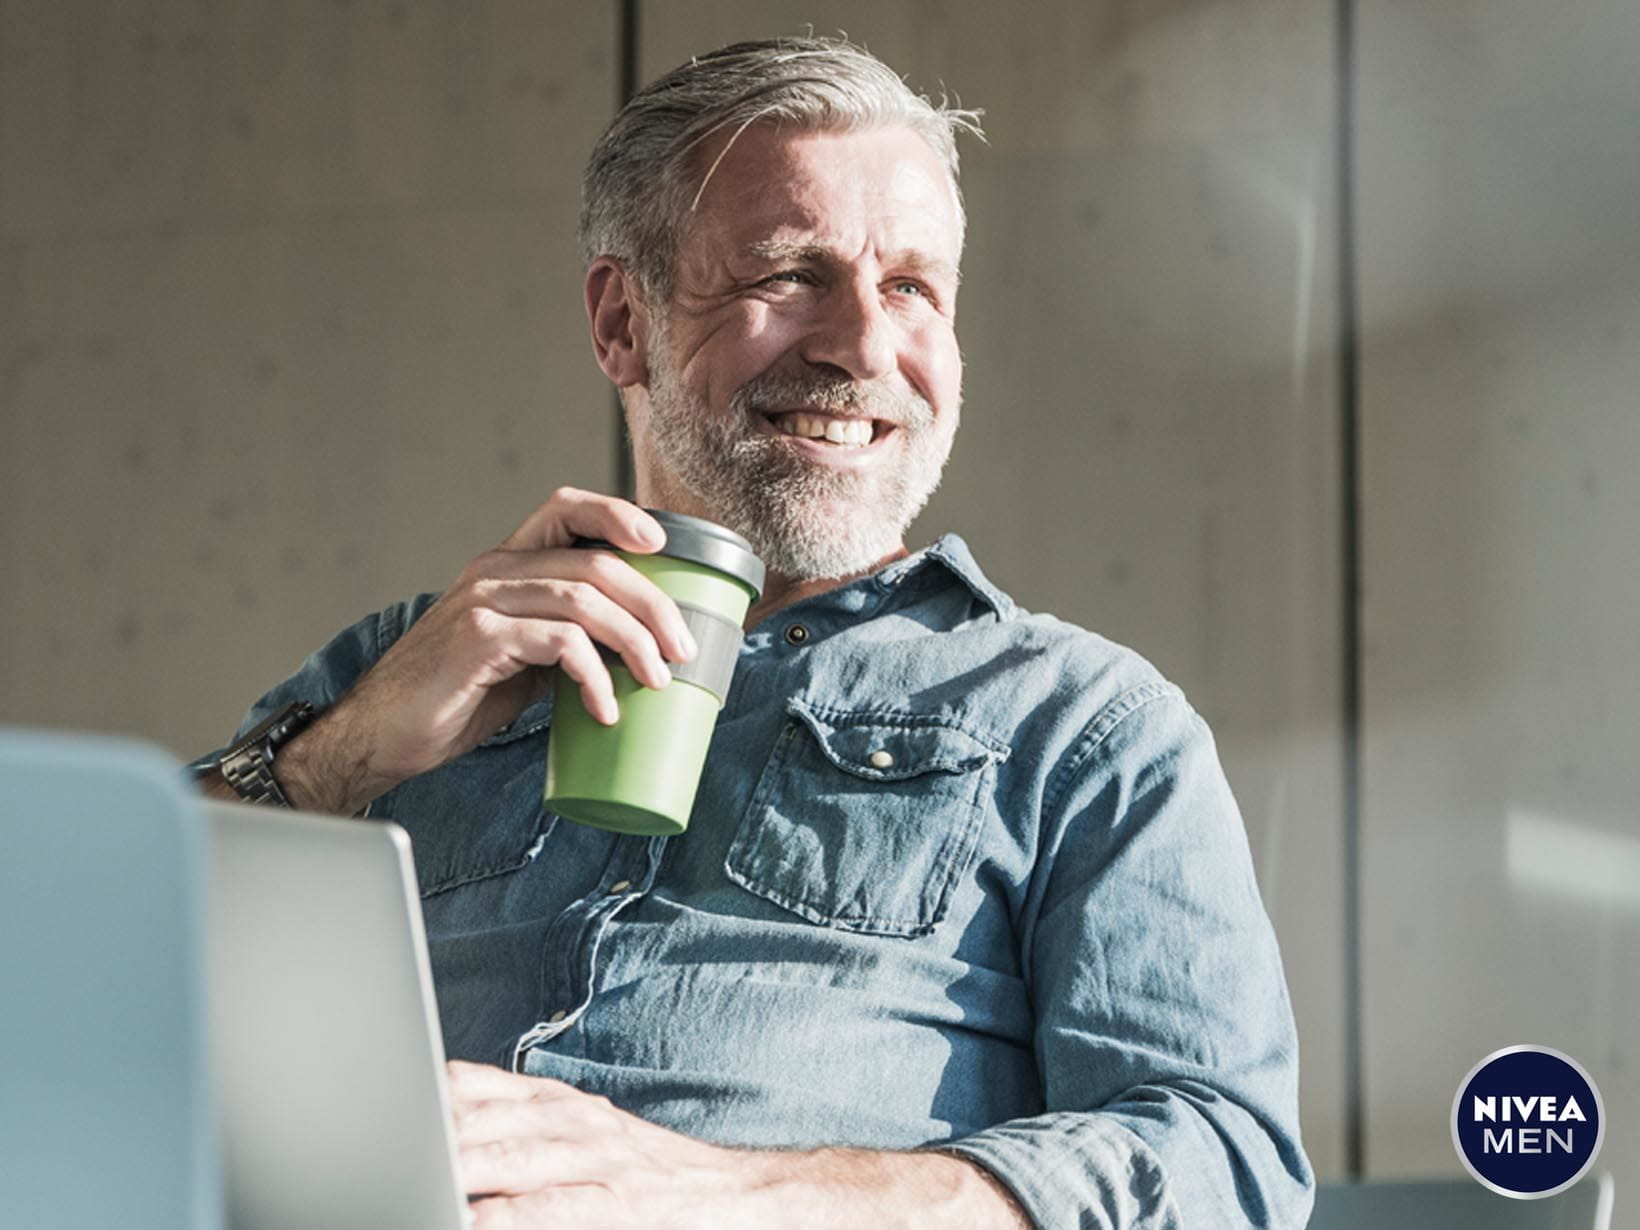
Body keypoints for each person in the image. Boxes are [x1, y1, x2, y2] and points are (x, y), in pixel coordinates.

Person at [197, 36, 1313, 1229]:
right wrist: (340, 754)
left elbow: (1217, 1165)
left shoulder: (1082, 726)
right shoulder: (408, 662)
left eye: (910, 290)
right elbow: (80, 983)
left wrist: (714, 1191)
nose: (864, 348)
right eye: (790, 276)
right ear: (621, 320)